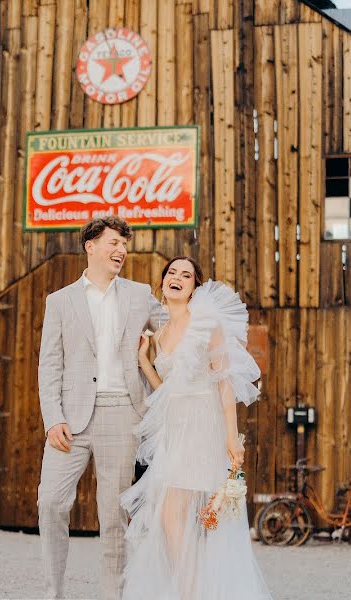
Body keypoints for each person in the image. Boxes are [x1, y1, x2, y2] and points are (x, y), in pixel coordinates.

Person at [121, 257, 272, 600]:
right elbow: (166, 394)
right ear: (163, 283)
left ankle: (188, 592)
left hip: (204, 427)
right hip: (174, 429)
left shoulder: (206, 323)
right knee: (177, 520)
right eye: (172, 273)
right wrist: (145, 362)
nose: (177, 278)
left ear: (194, 288)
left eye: (186, 275)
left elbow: (224, 383)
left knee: (172, 516)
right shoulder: (159, 335)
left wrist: (232, 437)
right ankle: (193, 589)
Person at [37, 216, 166, 600]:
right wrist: (52, 418)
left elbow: (173, 330)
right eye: (113, 242)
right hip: (69, 422)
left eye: (124, 244)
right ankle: (54, 593)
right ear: (90, 246)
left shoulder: (140, 294)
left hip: (123, 413)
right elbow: (50, 364)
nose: (120, 250)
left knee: (113, 517)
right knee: (50, 503)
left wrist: (208, 332)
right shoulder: (59, 301)